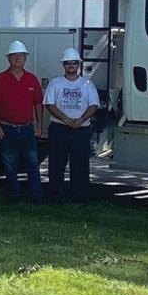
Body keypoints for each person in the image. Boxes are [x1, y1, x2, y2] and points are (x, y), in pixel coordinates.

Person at [0, 40, 45, 204]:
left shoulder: (32, 79)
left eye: (21, 55)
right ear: (8, 59)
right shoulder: (1, 79)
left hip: (27, 129)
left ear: (26, 58)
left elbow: (38, 104)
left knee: (32, 165)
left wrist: (39, 125)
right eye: (14, 55)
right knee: (10, 166)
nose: (18, 58)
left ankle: (37, 198)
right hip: (7, 128)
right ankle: (14, 198)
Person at [43, 47, 99, 204]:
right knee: (56, 164)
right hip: (59, 128)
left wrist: (81, 120)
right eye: (68, 63)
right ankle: (56, 197)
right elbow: (49, 104)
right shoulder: (55, 83)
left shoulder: (88, 84)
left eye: (74, 63)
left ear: (79, 64)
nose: (71, 66)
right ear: (63, 65)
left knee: (80, 165)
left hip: (81, 130)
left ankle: (80, 198)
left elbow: (94, 105)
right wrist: (66, 120)